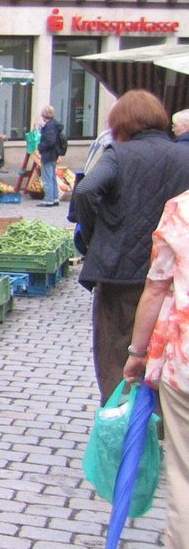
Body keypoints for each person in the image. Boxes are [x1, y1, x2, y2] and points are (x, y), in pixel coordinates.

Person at [73, 89, 189, 402]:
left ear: (120, 122)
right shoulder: (184, 155)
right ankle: (159, 426)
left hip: (119, 272)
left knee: (114, 352)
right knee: (167, 350)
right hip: (172, 275)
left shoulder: (118, 154)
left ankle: (117, 417)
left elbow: (85, 191)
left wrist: (93, 236)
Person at [122, 190, 189, 549]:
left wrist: (136, 352)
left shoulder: (182, 209)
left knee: (184, 478)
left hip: (185, 362)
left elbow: (156, 286)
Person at [36, 106, 65, 207]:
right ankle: (55, 198)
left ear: (44, 115)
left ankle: (48, 199)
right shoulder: (55, 125)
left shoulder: (49, 126)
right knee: (52, 177)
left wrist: (40, 146)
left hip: (48, 154)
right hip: (54, 154)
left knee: (47, 177)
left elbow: (50, 141)